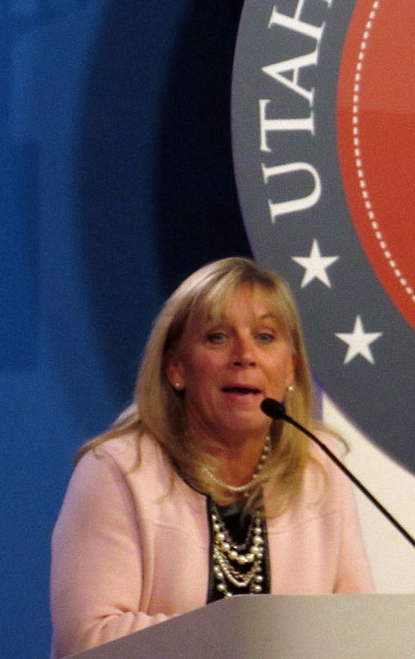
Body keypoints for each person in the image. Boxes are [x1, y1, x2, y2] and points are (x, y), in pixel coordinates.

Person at [50, 257, 372, 657]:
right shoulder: (119, 471)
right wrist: (250, 637)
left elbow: (359, 629)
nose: (245, 355)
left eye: (265, 337)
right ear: (176, 368)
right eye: (218, 337)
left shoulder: (318, 469)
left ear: (291, 369)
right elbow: (91, 638)